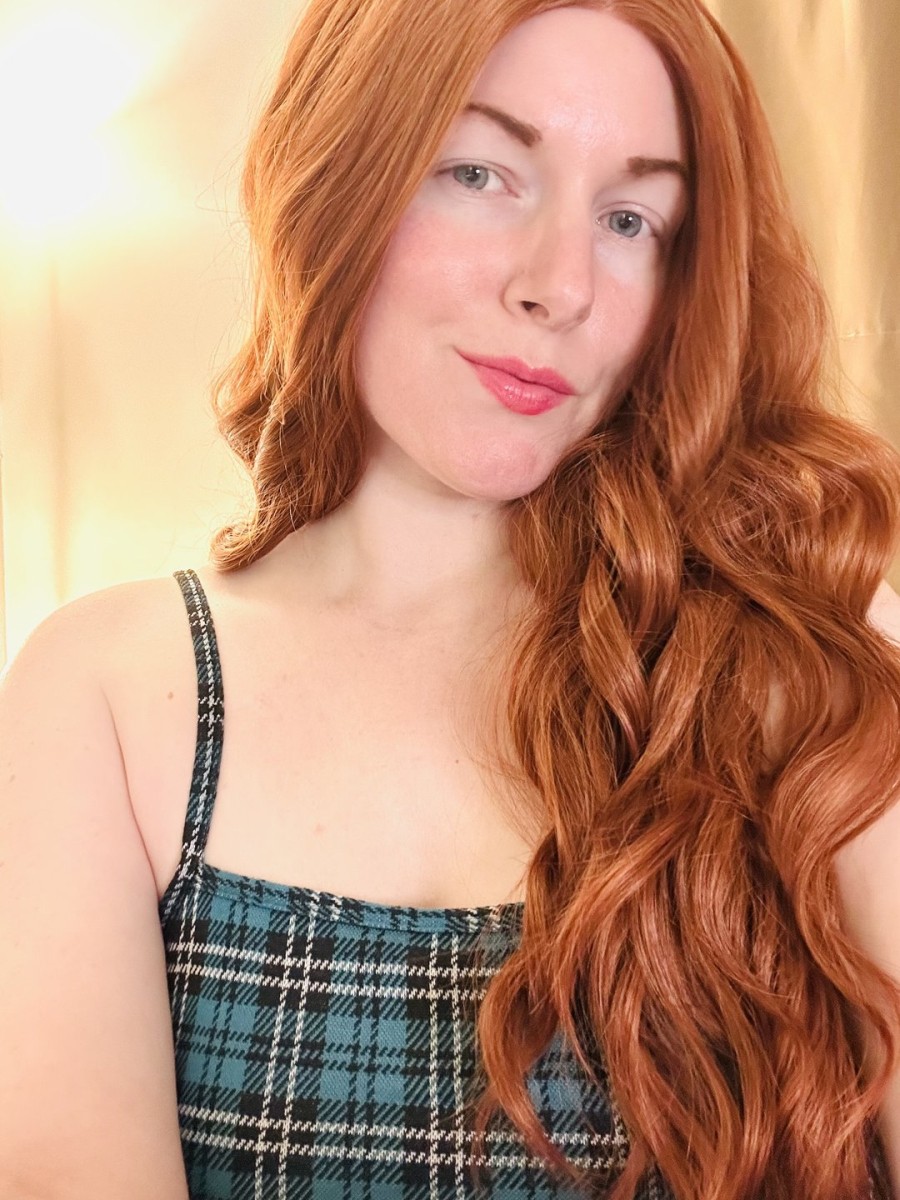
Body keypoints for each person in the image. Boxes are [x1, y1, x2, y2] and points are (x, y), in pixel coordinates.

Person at [3, 0, 900, 1196]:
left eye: (630, 219)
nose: (560, 286)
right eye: (480, 173)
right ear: (341, 179)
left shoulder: (813, 652)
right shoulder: (109, 692)